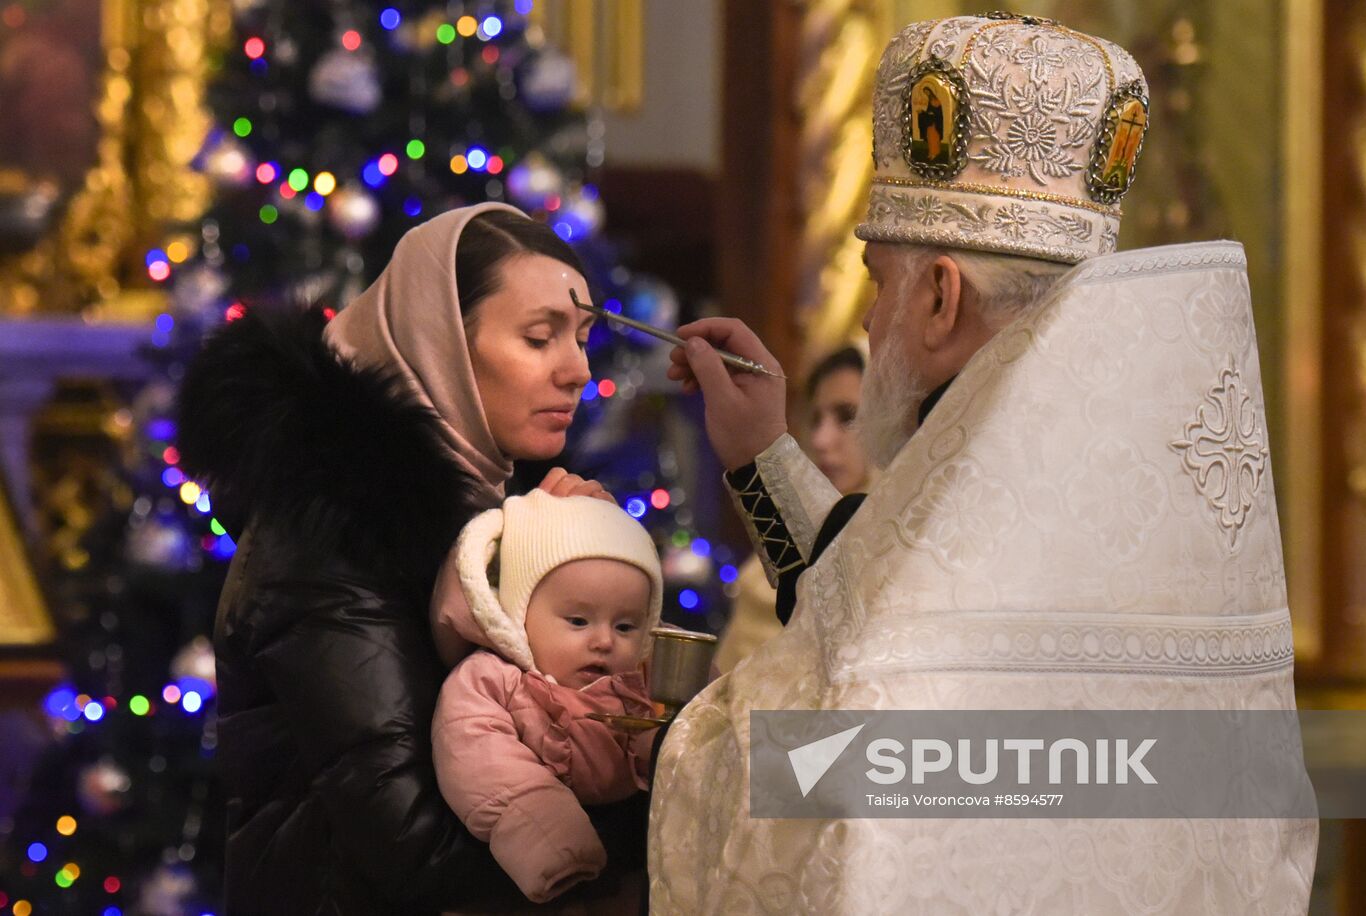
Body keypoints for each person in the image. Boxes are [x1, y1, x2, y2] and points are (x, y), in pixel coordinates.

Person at [654, 14, 1317, 914]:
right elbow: (878, 605)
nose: (866, 320)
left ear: (938, 296)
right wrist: (765, 457)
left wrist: (668, 750)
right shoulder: (1139, 488)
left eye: (880, 281)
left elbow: (843, 772)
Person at [176, 203, 647, 914]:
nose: (577, 370)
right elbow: (415, 846)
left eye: (581, 338)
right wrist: (664, 819)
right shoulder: (333, 537)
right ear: (442, 344)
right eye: (539, 337)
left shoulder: (475, 518)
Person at [429, 490, 662, 904]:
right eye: (578, 620)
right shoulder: (494, 679)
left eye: (627, 626)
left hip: (631, 880)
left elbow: (715, 721)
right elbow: (481, 757)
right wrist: (547, 831)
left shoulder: (645, 678)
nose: (605, 640)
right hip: (527, 885)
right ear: (519, 615)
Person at [712, 347, 870, 673]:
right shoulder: (768, 567)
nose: (822, 439)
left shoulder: (898, 552)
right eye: (815, 419)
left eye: (847, 417)